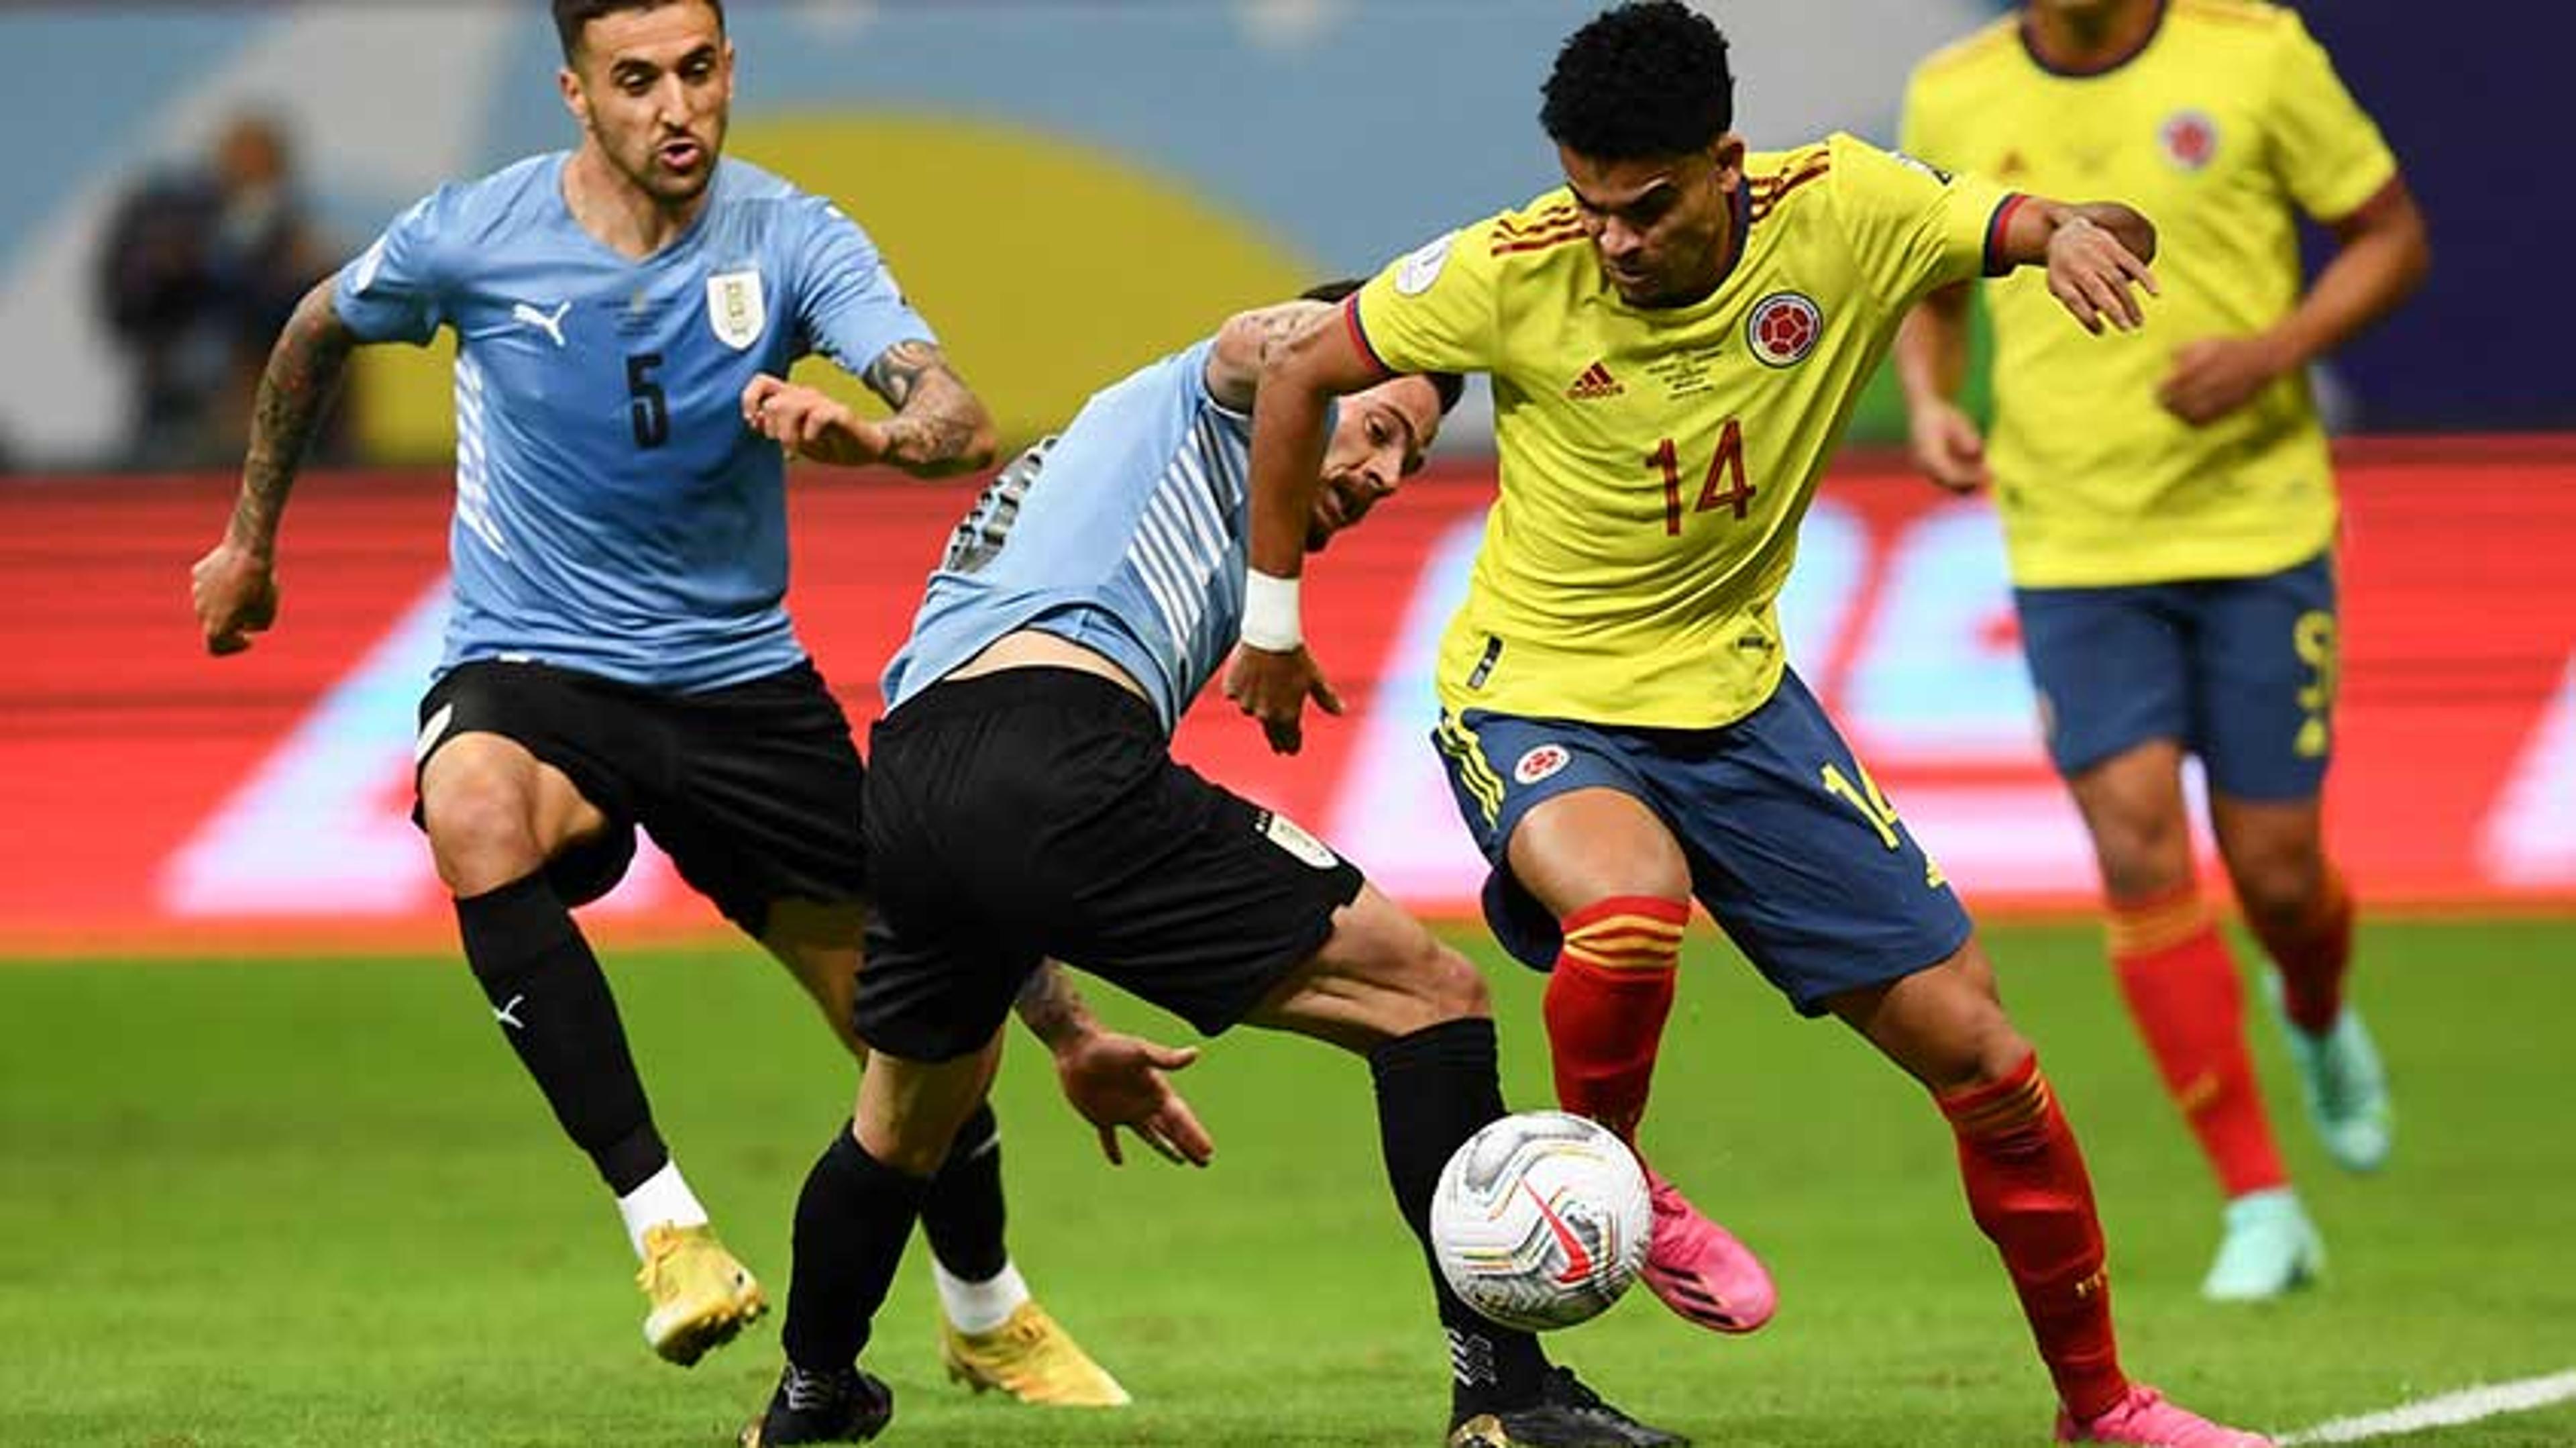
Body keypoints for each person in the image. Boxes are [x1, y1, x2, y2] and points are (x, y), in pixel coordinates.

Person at [1228, 5, 2273, 1445]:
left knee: (1987, 1058)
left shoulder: (1844, 206)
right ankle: (1617, 1174)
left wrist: (2083, 234)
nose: (1613, 239)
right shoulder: (1507, 267)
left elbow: (2021, 219)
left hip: (1740, 704)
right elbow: (1295, 372)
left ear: (1725, 162)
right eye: (1589, 203)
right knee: (1633, 909)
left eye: (1646, 206)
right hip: (1538, 687)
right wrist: (1272, 623)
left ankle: (2104, 1406)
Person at [184, 0, 1181, 1405]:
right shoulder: (475, 232)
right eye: (637, 80)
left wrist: (874, 434)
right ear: (577, 93)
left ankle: (984, 1307)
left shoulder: (791, 238)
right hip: (536, 663)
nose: (678, 109)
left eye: (700, 72)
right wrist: (249, 541)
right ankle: (667, 1226)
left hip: (739, 690)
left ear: (730, 72)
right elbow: (310, 330)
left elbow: (954, 414)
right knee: (469, 801)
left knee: (918, 1028)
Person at [731, 285, 1682, 1448]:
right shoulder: (1223, 382)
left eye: (1412, 459)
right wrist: (1454, 297)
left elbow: (997, 838)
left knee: (904, 1121)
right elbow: (1272, 350)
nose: (1385, 475)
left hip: (919, 777)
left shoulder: (1122, 470)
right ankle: (1507, 1394)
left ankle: (809, 1396)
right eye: (1378, 425)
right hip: (1054, 738)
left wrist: (1073, 1033)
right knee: (1431, 996)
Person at [1893, 0, 2429, 1304]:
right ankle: (2258, 1197)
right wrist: (1930, 403)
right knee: (2136, 838)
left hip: (2258, 527)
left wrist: (2275, 350)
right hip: (2075, 542)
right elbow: (1933, 279)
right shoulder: (1953, 93)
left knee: (2282, 874)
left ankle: (2313, 1008)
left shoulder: (2253, 54)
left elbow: (2390, 236)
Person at [97, 111, 343, 468]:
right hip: (175, 408)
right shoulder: (169, 219)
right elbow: (130, 300)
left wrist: (301, 273)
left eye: (265, 169)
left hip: (259, 408)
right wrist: (192, 259)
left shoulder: (289, 240)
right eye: (242, 163)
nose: (253, 177)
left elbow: (303, 324)